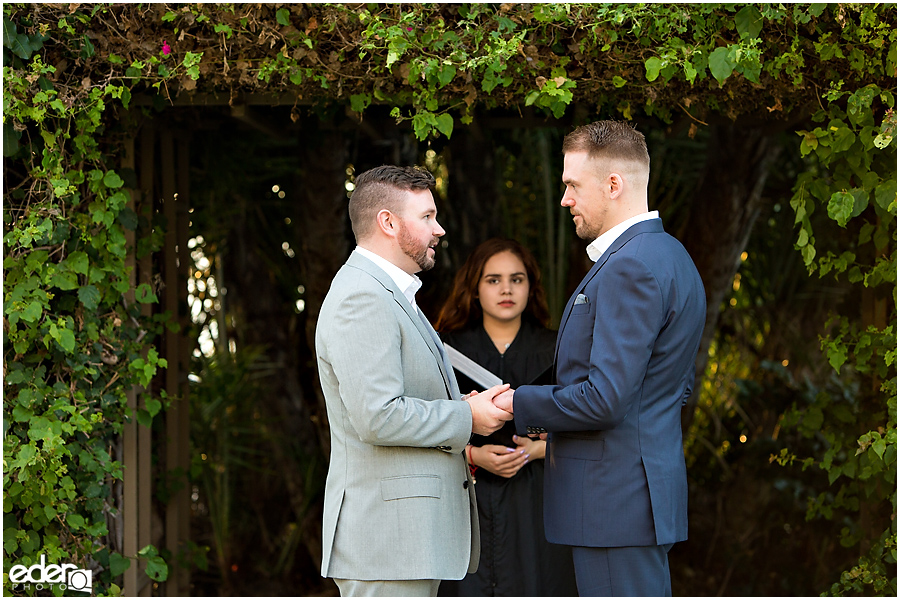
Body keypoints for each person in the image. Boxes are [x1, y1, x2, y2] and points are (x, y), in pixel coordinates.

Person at [493, 120, 706, 596]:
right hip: (635, 500)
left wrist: (516, 404)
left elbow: (606, 400)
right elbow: (675, 383)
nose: (565, 198)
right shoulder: (672, 256)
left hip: (614, 506)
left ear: (614, 184)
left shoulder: (629, 265)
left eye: (572, 185)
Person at [315, 165, 513, 597]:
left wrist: (468, 404)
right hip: (387, 544)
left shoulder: (391, 294)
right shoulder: (361, 297)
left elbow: (401, 400)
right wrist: (467, 416)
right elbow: (378, 416)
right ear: (388, 222)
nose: (439, 229)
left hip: (404, 542)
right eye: (426, 217)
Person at [434, 238, 578, 597]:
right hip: (466, 498)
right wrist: (471, 455)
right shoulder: (444, 350)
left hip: (539, 500)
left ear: (531, 287)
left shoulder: (560, 349)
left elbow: (588, 421)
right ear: (475, 289)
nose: (506, 289)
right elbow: (423, 423)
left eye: (517, 279)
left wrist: (536, 451)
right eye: (493, 280)